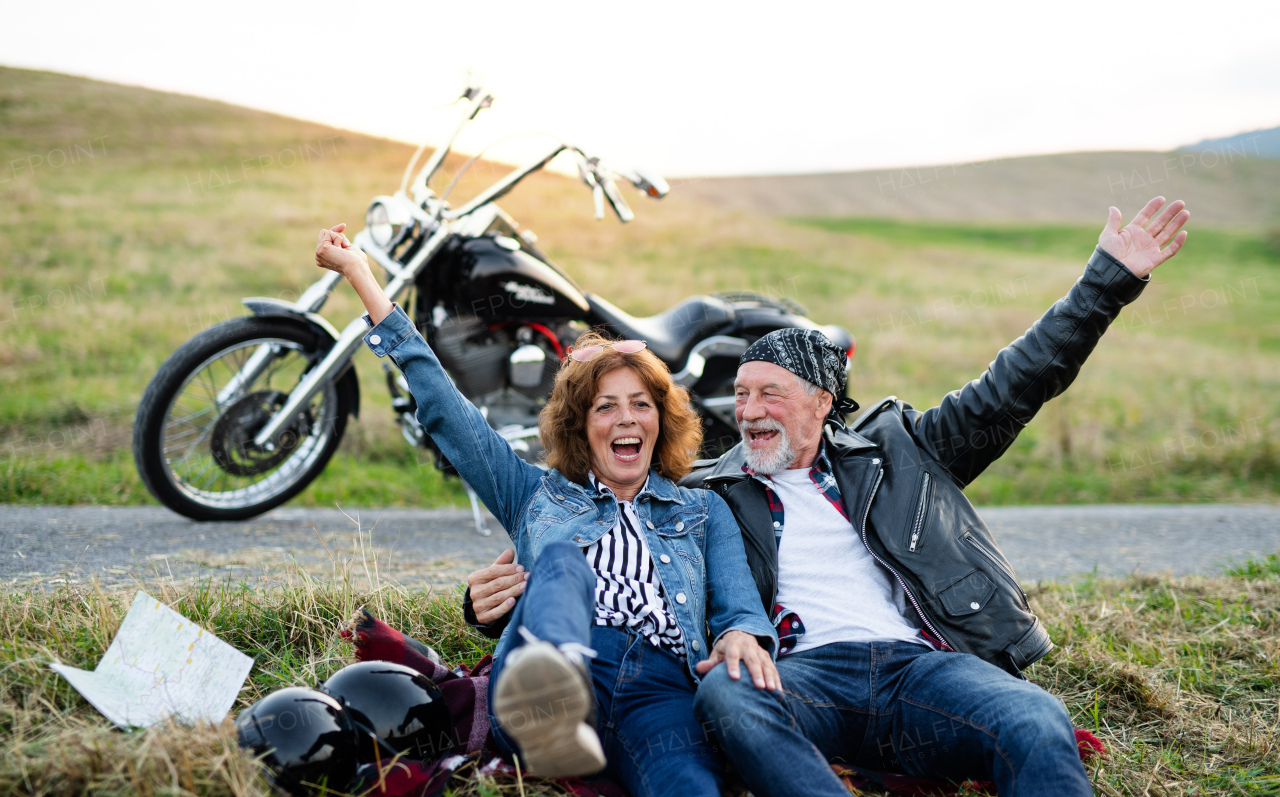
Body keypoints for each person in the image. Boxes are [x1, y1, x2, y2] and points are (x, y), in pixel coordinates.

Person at [469, 196, 1191, 796]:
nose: (746, 410)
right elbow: (600, 529)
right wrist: (492, 597)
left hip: (920, 666)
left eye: (769, 394)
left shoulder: (905, 449)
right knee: (726, 692)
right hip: (801, 673)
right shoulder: (705, 491)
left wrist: (1107, 280)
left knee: (1036, 720)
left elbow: (1019, 381)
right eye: (740, 394)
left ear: (820, 401)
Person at [313, 223, 779, 797]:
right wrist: (362, 276)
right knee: (562, 561)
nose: (627, 419)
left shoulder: (705, 511)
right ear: (582, 426)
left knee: (687, 784)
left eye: (641, 404)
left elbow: (740, 609)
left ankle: (577, 732)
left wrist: (744, 637)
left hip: (660, 688)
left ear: (662, 420)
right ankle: (549, 698)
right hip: (552, 666)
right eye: (606, 407)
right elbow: (444, 409)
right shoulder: (535, 494)